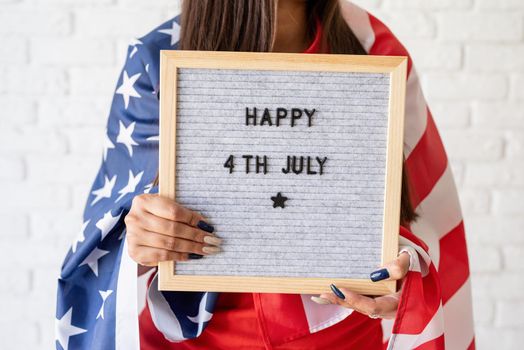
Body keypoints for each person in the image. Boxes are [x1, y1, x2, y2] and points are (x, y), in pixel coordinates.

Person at [56, 1, 475, 349]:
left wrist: (402, 281)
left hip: (341, 337)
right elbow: (108, 243)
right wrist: (143, 234)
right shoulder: (156, 59)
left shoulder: (373, 47)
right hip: (196, 340)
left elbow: (417, 218)